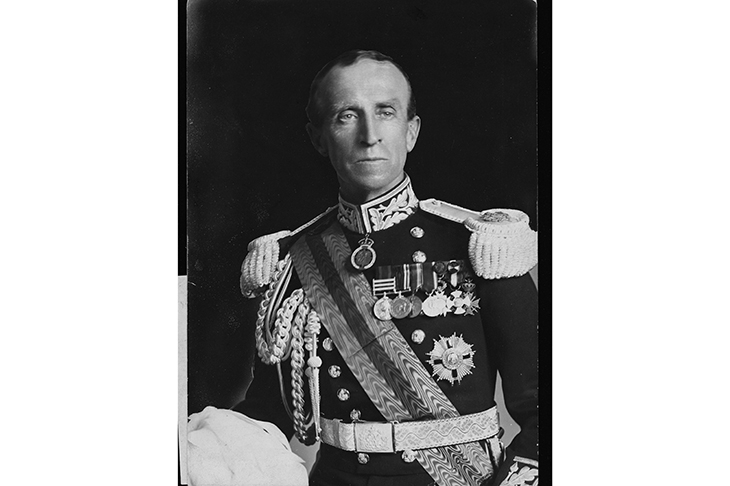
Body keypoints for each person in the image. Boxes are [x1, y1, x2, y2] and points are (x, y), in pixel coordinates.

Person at [235, 50, 538, 486]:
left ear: (411, 131)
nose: (370, 135)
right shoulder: (293, 260)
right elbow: (267, 417)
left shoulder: (482, 246)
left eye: (386, 112)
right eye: (346, 116)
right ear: (318, 137)